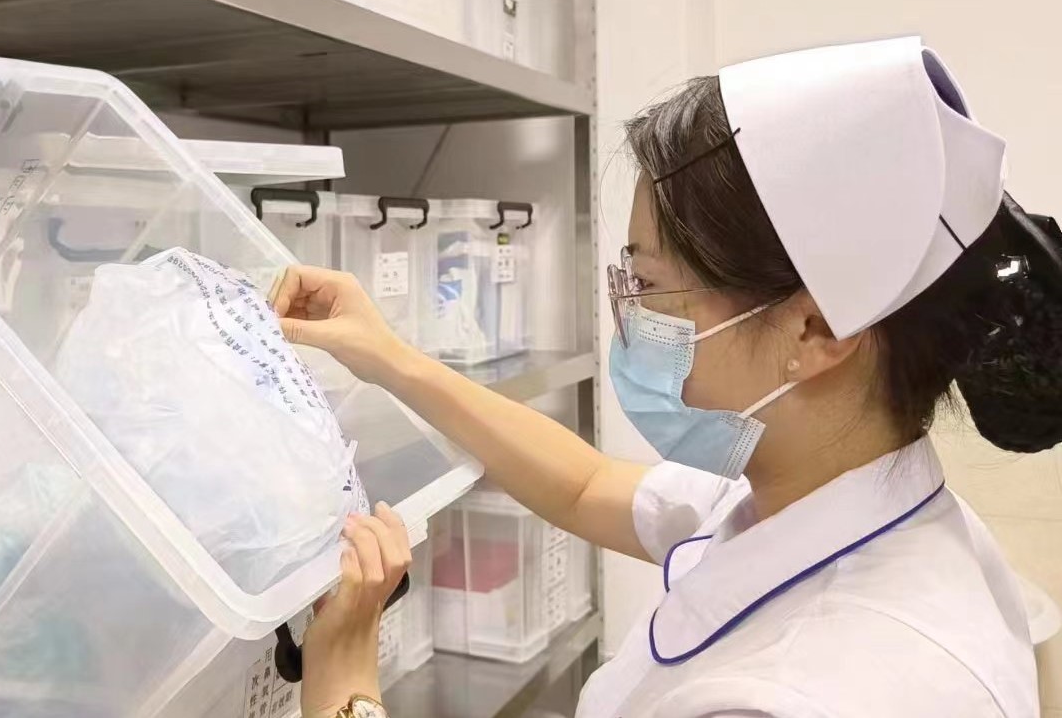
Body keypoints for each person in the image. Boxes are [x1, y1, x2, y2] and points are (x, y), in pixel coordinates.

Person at [275, 38, 1062, 718]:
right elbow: (584, 485)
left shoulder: (819, 687)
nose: (628, 314)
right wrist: (390, 355)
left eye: (648, 285)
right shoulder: (823, 492)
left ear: (815, 330)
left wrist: (344, 685)